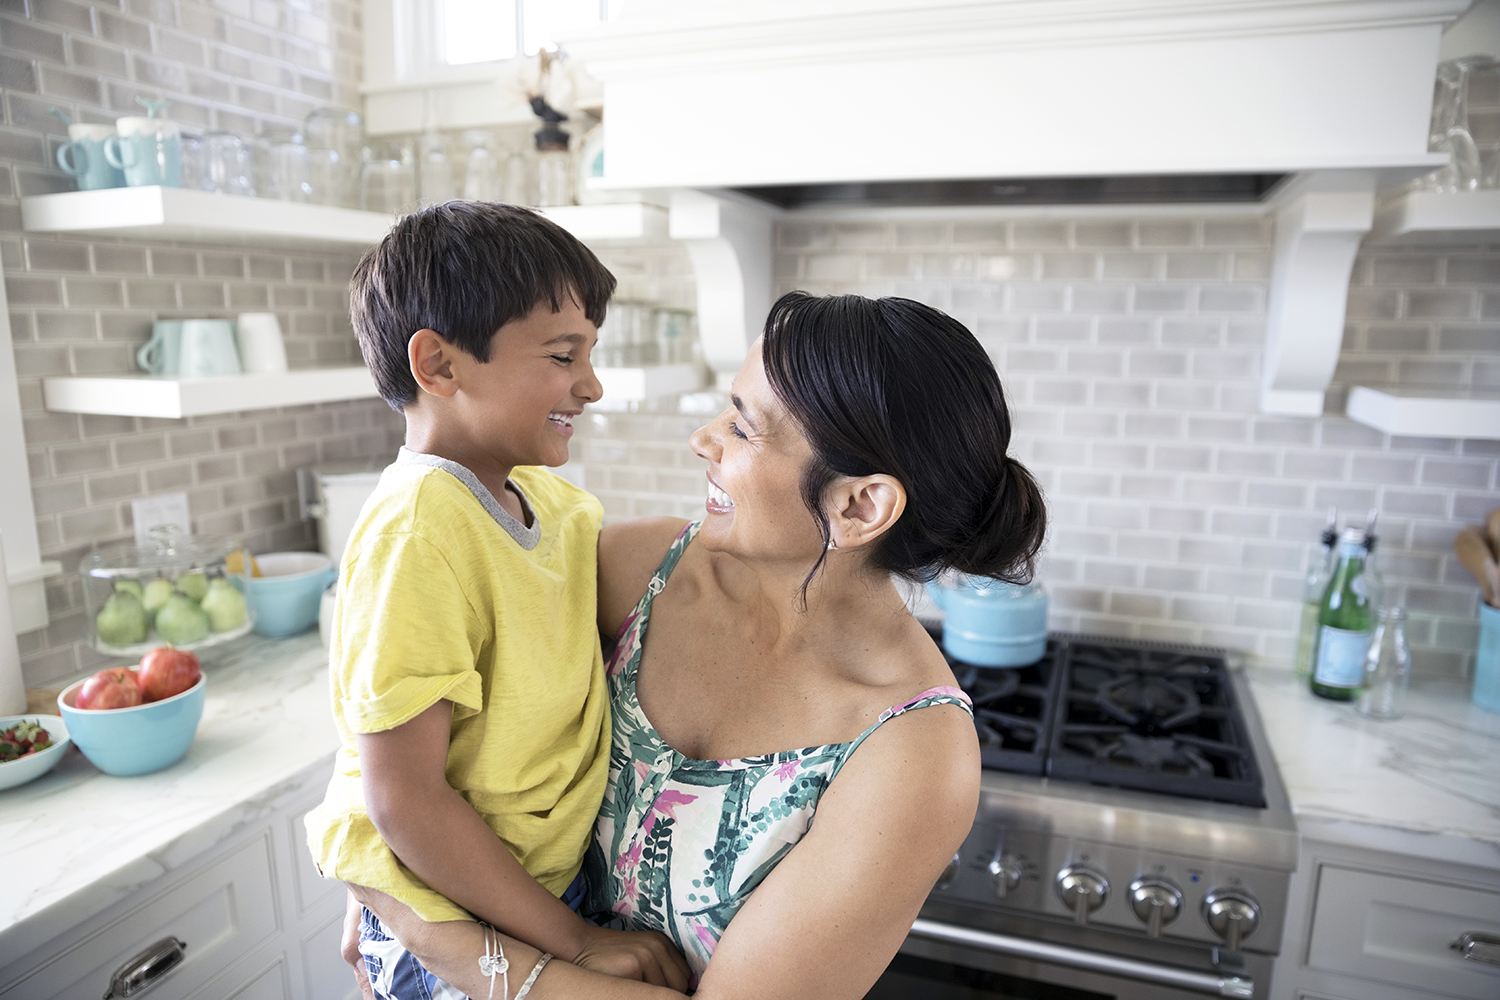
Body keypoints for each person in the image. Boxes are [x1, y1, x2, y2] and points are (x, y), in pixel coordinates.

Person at [346, 291, 1048, 1000]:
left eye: (744, 430)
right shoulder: (636, 572)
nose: (705, 439)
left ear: (859, 505)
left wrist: (441, 940)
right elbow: (410, 675)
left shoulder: (913, 755)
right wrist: (383, 853)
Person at [304, 201, 691, 1000]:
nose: (591, 384)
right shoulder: (419, 530)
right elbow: (403, 794)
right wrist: (573, 942)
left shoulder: (543, 502)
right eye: (562, 354)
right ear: (440, 366)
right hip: (465, 915)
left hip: (529, 893)